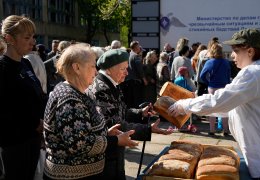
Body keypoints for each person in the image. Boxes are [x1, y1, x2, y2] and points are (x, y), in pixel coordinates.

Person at [168, 28, 260, 179]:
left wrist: (184, 105)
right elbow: (231, 108)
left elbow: (218, 101)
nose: (232, 55)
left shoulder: (253, 73)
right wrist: (190, 108)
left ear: (250, 51)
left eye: (235, 50)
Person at [43, 44, 138, 180]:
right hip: (70, 176)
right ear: (77, 68)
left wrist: (104, 133)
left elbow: (83, 131)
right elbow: (80, 145)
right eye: (93, 66)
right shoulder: (70, 99)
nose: (96, 72)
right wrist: (115, 140)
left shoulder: (76, 92)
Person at [86, 49, 172, 180]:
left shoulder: (111, 82)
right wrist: (148, 129)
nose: (127, 73)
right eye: (123, 69)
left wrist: (140, 113)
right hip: (106, 155)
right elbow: (115, 125)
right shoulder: (102, 89)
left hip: (114, 152)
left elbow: (120, 111)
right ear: (109, 69)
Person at [0, 15, 46, 180]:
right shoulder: (2, 68)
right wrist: (34, 123)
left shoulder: (26, 64)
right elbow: (6, 111)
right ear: (9, 39)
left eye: (33, 37)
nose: (33, 42)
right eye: (27, 38)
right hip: (15, 143)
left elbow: (38, 96)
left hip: (33, 140)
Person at [200, 43, 231, 136]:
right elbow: (229, 75)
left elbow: (202, 75)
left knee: (212, 109)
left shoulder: (209, 62)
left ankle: (212, 130)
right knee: (225, 109)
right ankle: (225, 131)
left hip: (212, 87)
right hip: (224, 87)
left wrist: (208, 82)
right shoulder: (226, 62)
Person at [120, 41, 147, 108]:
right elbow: (139, 69)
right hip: (135, 82)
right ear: (136, 47)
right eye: (138, 46)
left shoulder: (128, 55)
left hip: (128, 81)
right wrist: (144, 79)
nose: (139, 48)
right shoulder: (136, 56)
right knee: (136, 101)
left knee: (130, 101)